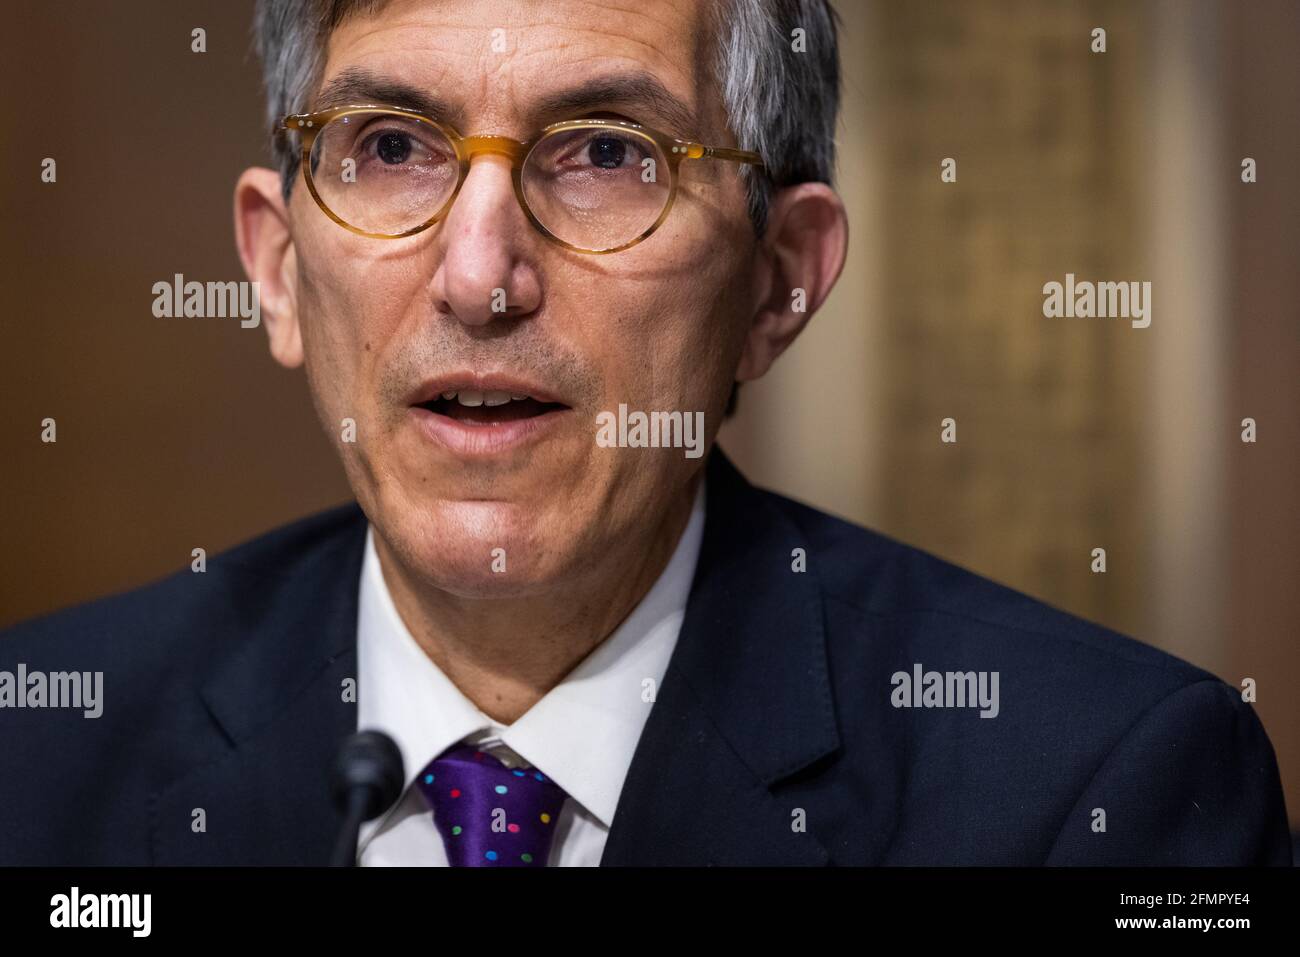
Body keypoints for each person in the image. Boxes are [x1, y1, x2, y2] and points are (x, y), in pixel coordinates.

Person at [0, 0, 1288, 866]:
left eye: (607, 154)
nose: (478, 274)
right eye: (390, 145)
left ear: (779, 281)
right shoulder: (34, 752)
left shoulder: (1094, 795)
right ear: (277, 272)